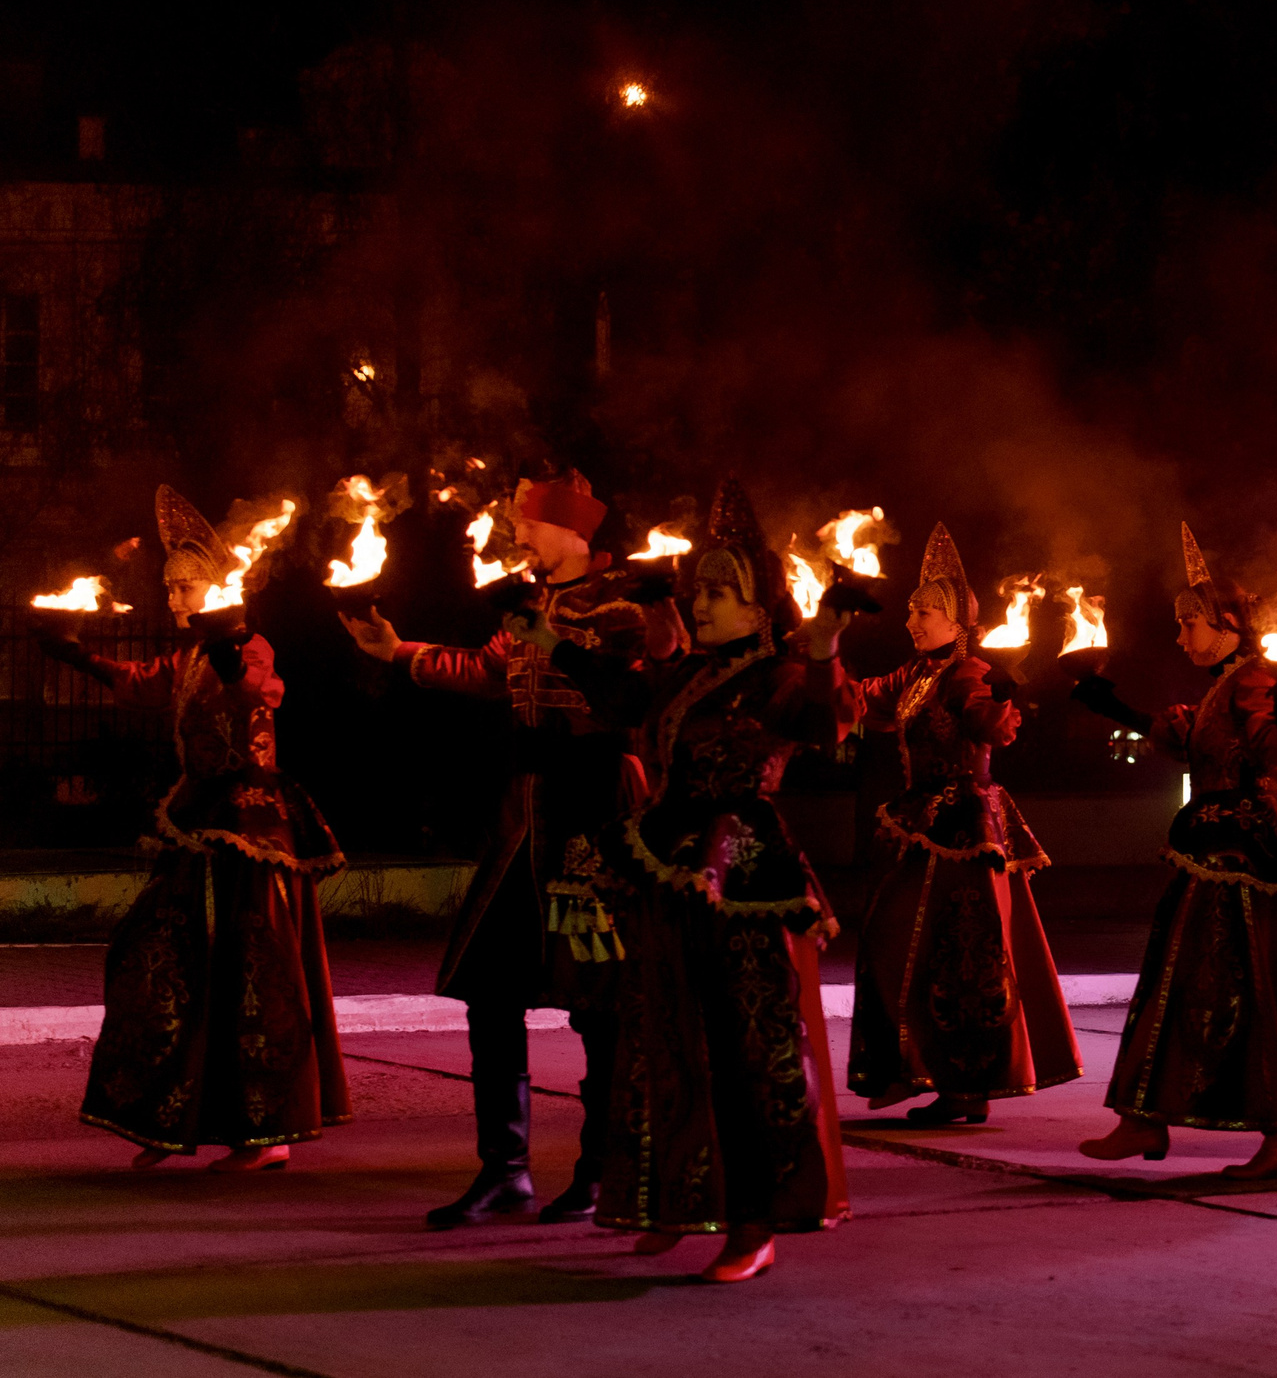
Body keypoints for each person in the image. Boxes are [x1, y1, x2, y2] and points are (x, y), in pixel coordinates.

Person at [341, 470, 677, 1227]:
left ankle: (601, 1168)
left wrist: (554, 643)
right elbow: (491, 669)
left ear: (568, 531)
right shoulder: (531, 601)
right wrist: (399, 651)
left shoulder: (624, 604)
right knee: (490, 993)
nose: (517, 536)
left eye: (528, 524)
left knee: (600, 1006)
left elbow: (637, 691)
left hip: (593, 811)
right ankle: (506, 1169)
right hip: (524, 819)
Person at [538, 478, 847, 1283]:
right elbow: (627, 699)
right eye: (698, 588)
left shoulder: (778, 675)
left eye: (719, 591)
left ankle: (755, 1219)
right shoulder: (688, 674)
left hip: (741, 873)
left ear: (758, 607)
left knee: (746, 1049)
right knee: (670, 1041)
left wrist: (823, 652)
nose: (701, 601)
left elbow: (822, 725)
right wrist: (553, 646)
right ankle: (679, 1197)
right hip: (671, 868)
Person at [36, 486, 348, 1169]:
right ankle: (170, 1113)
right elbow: (139, 680)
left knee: (248, 977)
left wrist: (233, 646)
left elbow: (255, 690)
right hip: (197, 830)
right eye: (170, 584)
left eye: (186, 584)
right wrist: (72, 653)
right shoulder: (188, 656)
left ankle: (264, 1135)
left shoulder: (247, 645)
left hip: (252, 838)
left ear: (219, 586)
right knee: (157, 961)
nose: (174, 596)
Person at [1066, 525, 1277, 1178]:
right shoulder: (1227, 681)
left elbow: (1276, 751)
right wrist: (1114, 707)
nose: (1181, 635)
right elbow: (1196, 742)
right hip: (1211, 851)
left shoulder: (1255, 679)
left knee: (1253, 989)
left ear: (1229, 625)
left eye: (1191, 622)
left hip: (1247, 857)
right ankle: (1145, 1116)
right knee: (1177, 982)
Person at [840, 523, 1080, 1123]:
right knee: (895, 941)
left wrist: (1002, 696)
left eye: (925, 612)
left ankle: (965, 1086)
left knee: (963, 958)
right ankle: (915, 1069)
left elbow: (987, 727)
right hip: (925, 823)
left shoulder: (966, 672)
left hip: (966, 829)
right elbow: (862, 701)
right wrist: (821, 651)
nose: (912, 621)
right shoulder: (917, 672)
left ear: (957, 622)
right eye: (912, 610)